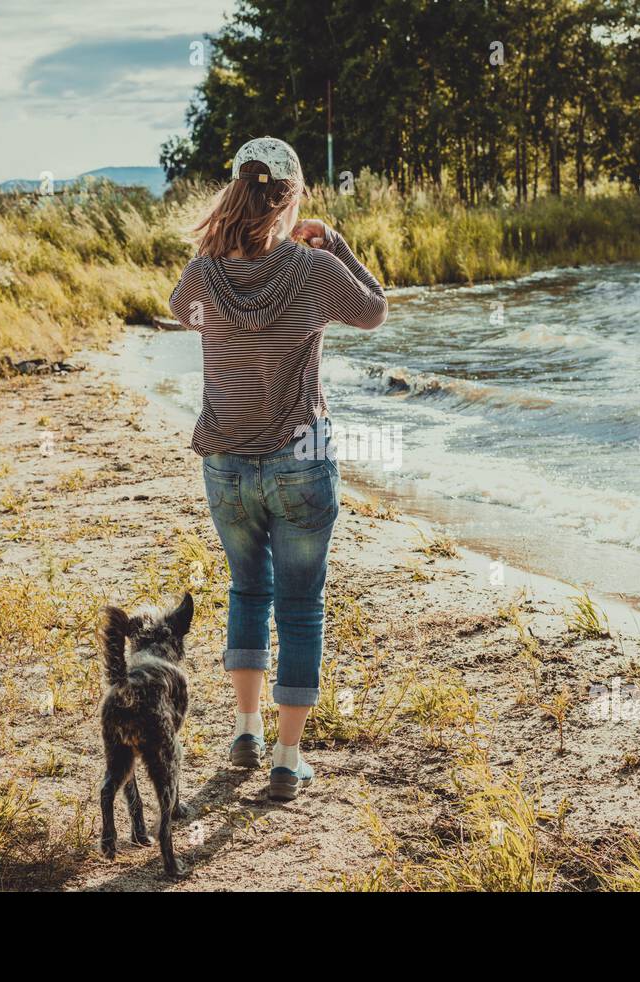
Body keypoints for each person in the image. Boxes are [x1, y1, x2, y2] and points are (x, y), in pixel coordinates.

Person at [168, 136, 387, 801]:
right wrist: (337, 246)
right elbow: (373, 313)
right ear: (290, 197)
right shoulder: (315, 270)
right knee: (300, 603)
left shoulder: (202, 275)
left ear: (235, 189)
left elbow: (184, 313)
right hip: (300, 460)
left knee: (247, 591)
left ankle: (246, 728)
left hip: (227, 462)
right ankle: (288, 760)